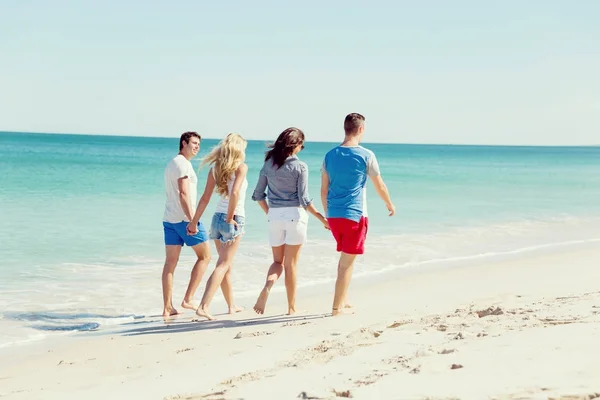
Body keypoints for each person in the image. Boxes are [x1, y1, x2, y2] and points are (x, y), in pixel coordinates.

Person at [321, 113, 396, 316]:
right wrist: (389, 203)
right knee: (347, 262)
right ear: (361, 129)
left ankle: (343, 299)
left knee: (346, 259)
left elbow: (324, 189)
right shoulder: (366, 155)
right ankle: (336, 308)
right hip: (355, 215)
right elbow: (379, 184)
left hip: (334, 216)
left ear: (345, 128)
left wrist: (327, 215)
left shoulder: (330, 155)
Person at [251, 127, 329, 315]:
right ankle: (291, 308)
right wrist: (321, 218)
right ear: (295, 146)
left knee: (277, 262)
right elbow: (304, 199)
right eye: (302, 145)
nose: (302, 149)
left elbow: (258, 195)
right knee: (291, 265)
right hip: (295, 216)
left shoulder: (268, 164)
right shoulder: (300, 166)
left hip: (275, 216)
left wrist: (270, 212)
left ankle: (267, 287)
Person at [187, 133, 248, 321]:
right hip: (233, 217)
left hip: (216, 219)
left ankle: (231, 305)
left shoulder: (215, 169)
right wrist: (230, 218)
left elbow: (205, 198)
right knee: (223, 264)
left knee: (225, 265)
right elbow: (236, 193)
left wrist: (194, 221)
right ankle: (204, 306)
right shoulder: (241, 167)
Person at [161, 131, 212, 318]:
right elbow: (183, 194)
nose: (197, 147)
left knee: (170, 263)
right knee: (205, 256)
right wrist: (193, 220)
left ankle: (167, 307)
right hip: (183, 219)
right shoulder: (183, 164)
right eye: (194, 143)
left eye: (199, 144)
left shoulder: (172, 163)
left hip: (169, 219)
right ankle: (188, 299)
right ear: (184, 142)